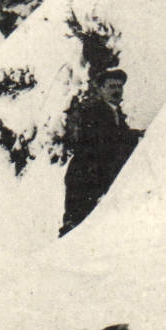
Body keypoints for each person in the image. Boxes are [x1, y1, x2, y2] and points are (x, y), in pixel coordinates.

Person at [60, 68, 142, 236]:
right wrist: (132, 136)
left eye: (119, 86)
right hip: (85, 178)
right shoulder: (94, 113)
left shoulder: (115, 113)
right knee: (79, 226)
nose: (116, 91)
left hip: (95, 177)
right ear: (101, 89)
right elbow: (106, 141)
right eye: (111, 86)